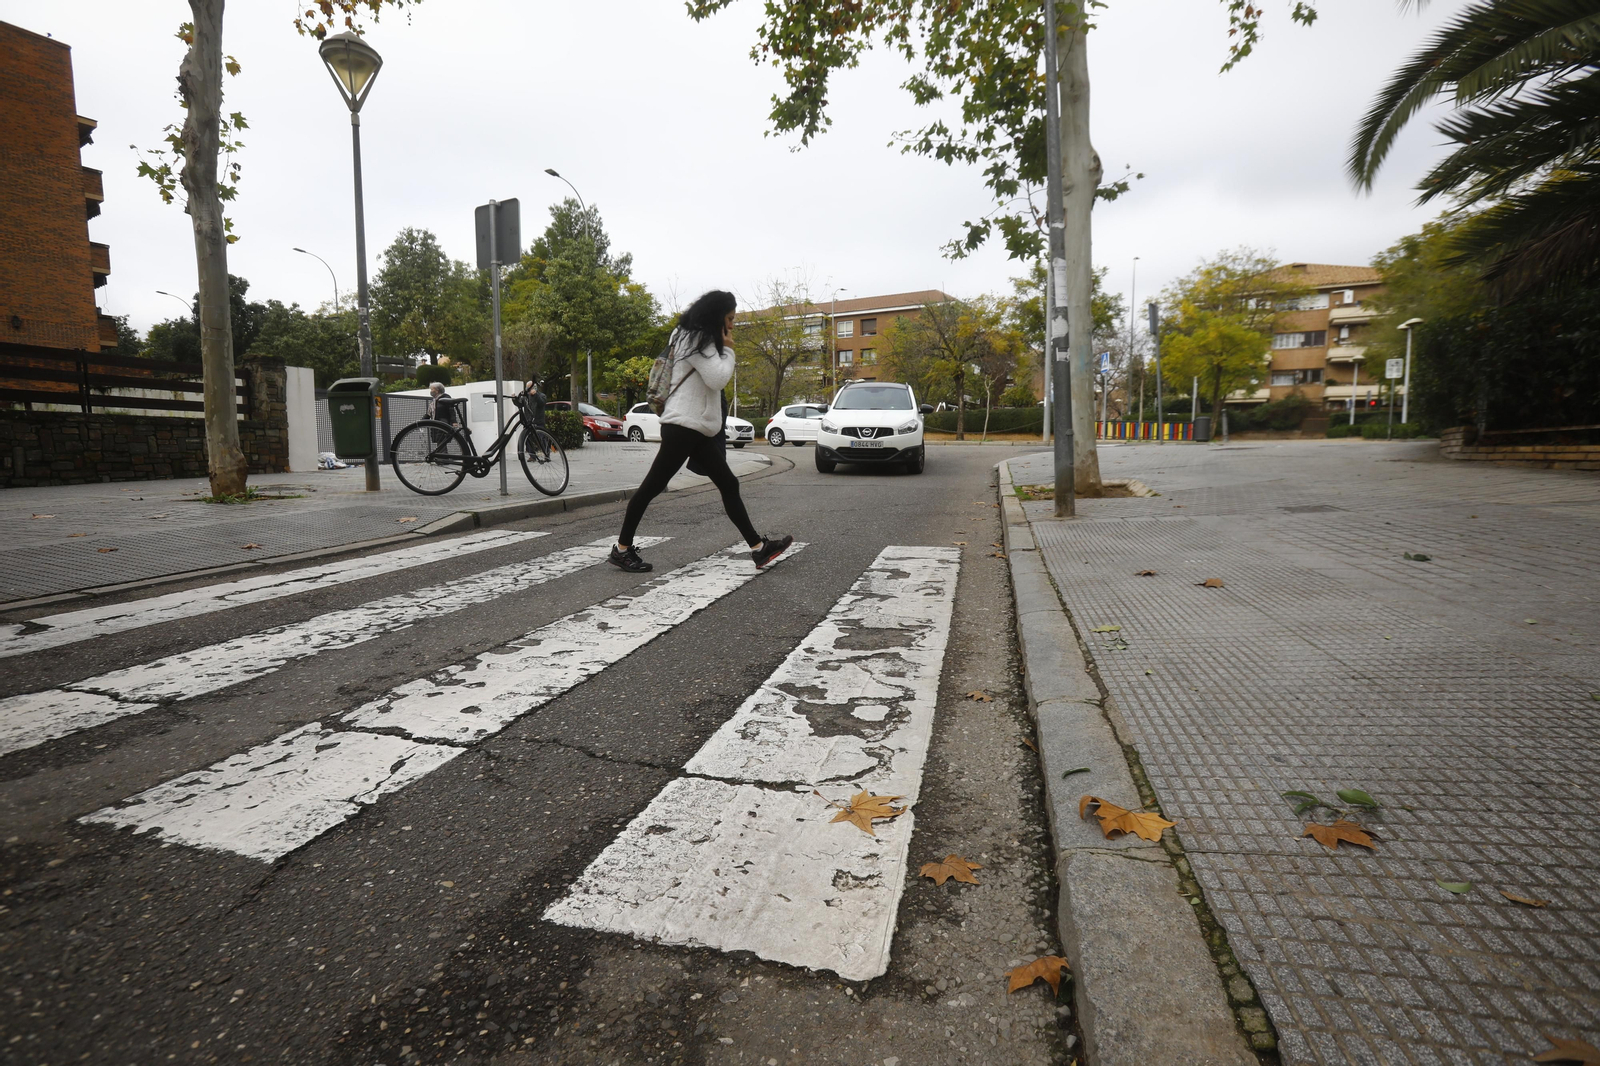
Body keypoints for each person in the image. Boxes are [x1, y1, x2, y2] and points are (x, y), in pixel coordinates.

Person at [611, 290, 792, 573]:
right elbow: (717, 378)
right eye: (730, 318)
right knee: (652, 487)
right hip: (684, 426)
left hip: (695, 427)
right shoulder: (695, 338)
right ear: (718, 315)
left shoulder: (692, 336)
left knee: (728, 484)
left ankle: (759, 549)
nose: (732, 324)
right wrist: (729, 348)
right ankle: (622, 549)